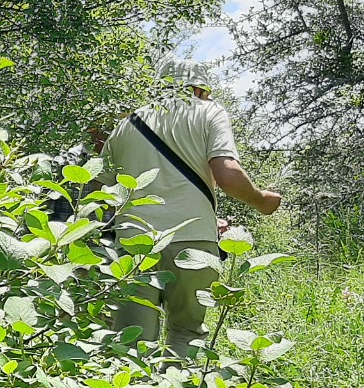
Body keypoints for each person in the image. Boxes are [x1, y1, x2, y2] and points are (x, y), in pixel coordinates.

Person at [101, 58, 281, 356]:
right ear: (201, 89)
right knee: (186, 332)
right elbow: (227, 174)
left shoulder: (126, 124)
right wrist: (261, 200)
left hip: (133, 243)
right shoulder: (209, 112)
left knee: (131, 344)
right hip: (193, 241)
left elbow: (98, 189)